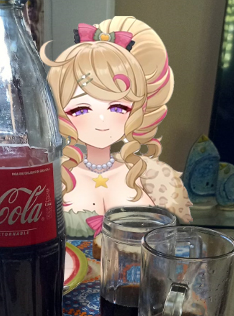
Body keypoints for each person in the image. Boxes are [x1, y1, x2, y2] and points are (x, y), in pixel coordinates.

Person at [41, 16, 192, 253]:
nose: (101, 121)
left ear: (136, 110)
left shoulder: (153, 178)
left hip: (136, 276)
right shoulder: (50, 178)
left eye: (117, 108)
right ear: (62, 114)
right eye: (81, 109)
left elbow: (173, 246)